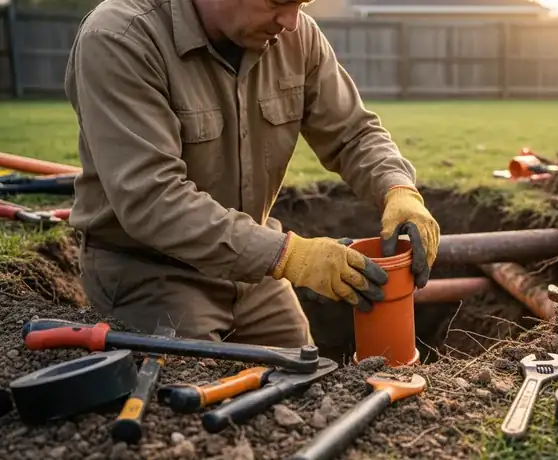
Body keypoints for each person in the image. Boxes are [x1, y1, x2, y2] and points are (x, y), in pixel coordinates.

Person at [63, 0, 440, 348]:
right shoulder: (121, 38)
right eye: (278, 2)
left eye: (301, 3)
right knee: (191, 400)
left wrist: (399, 189)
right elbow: (152, 199)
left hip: (256, 274)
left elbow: (353, 133)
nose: (290, 21)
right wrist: (290, 257)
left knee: (310, 380)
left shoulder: (297, 36)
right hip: (151, 272)